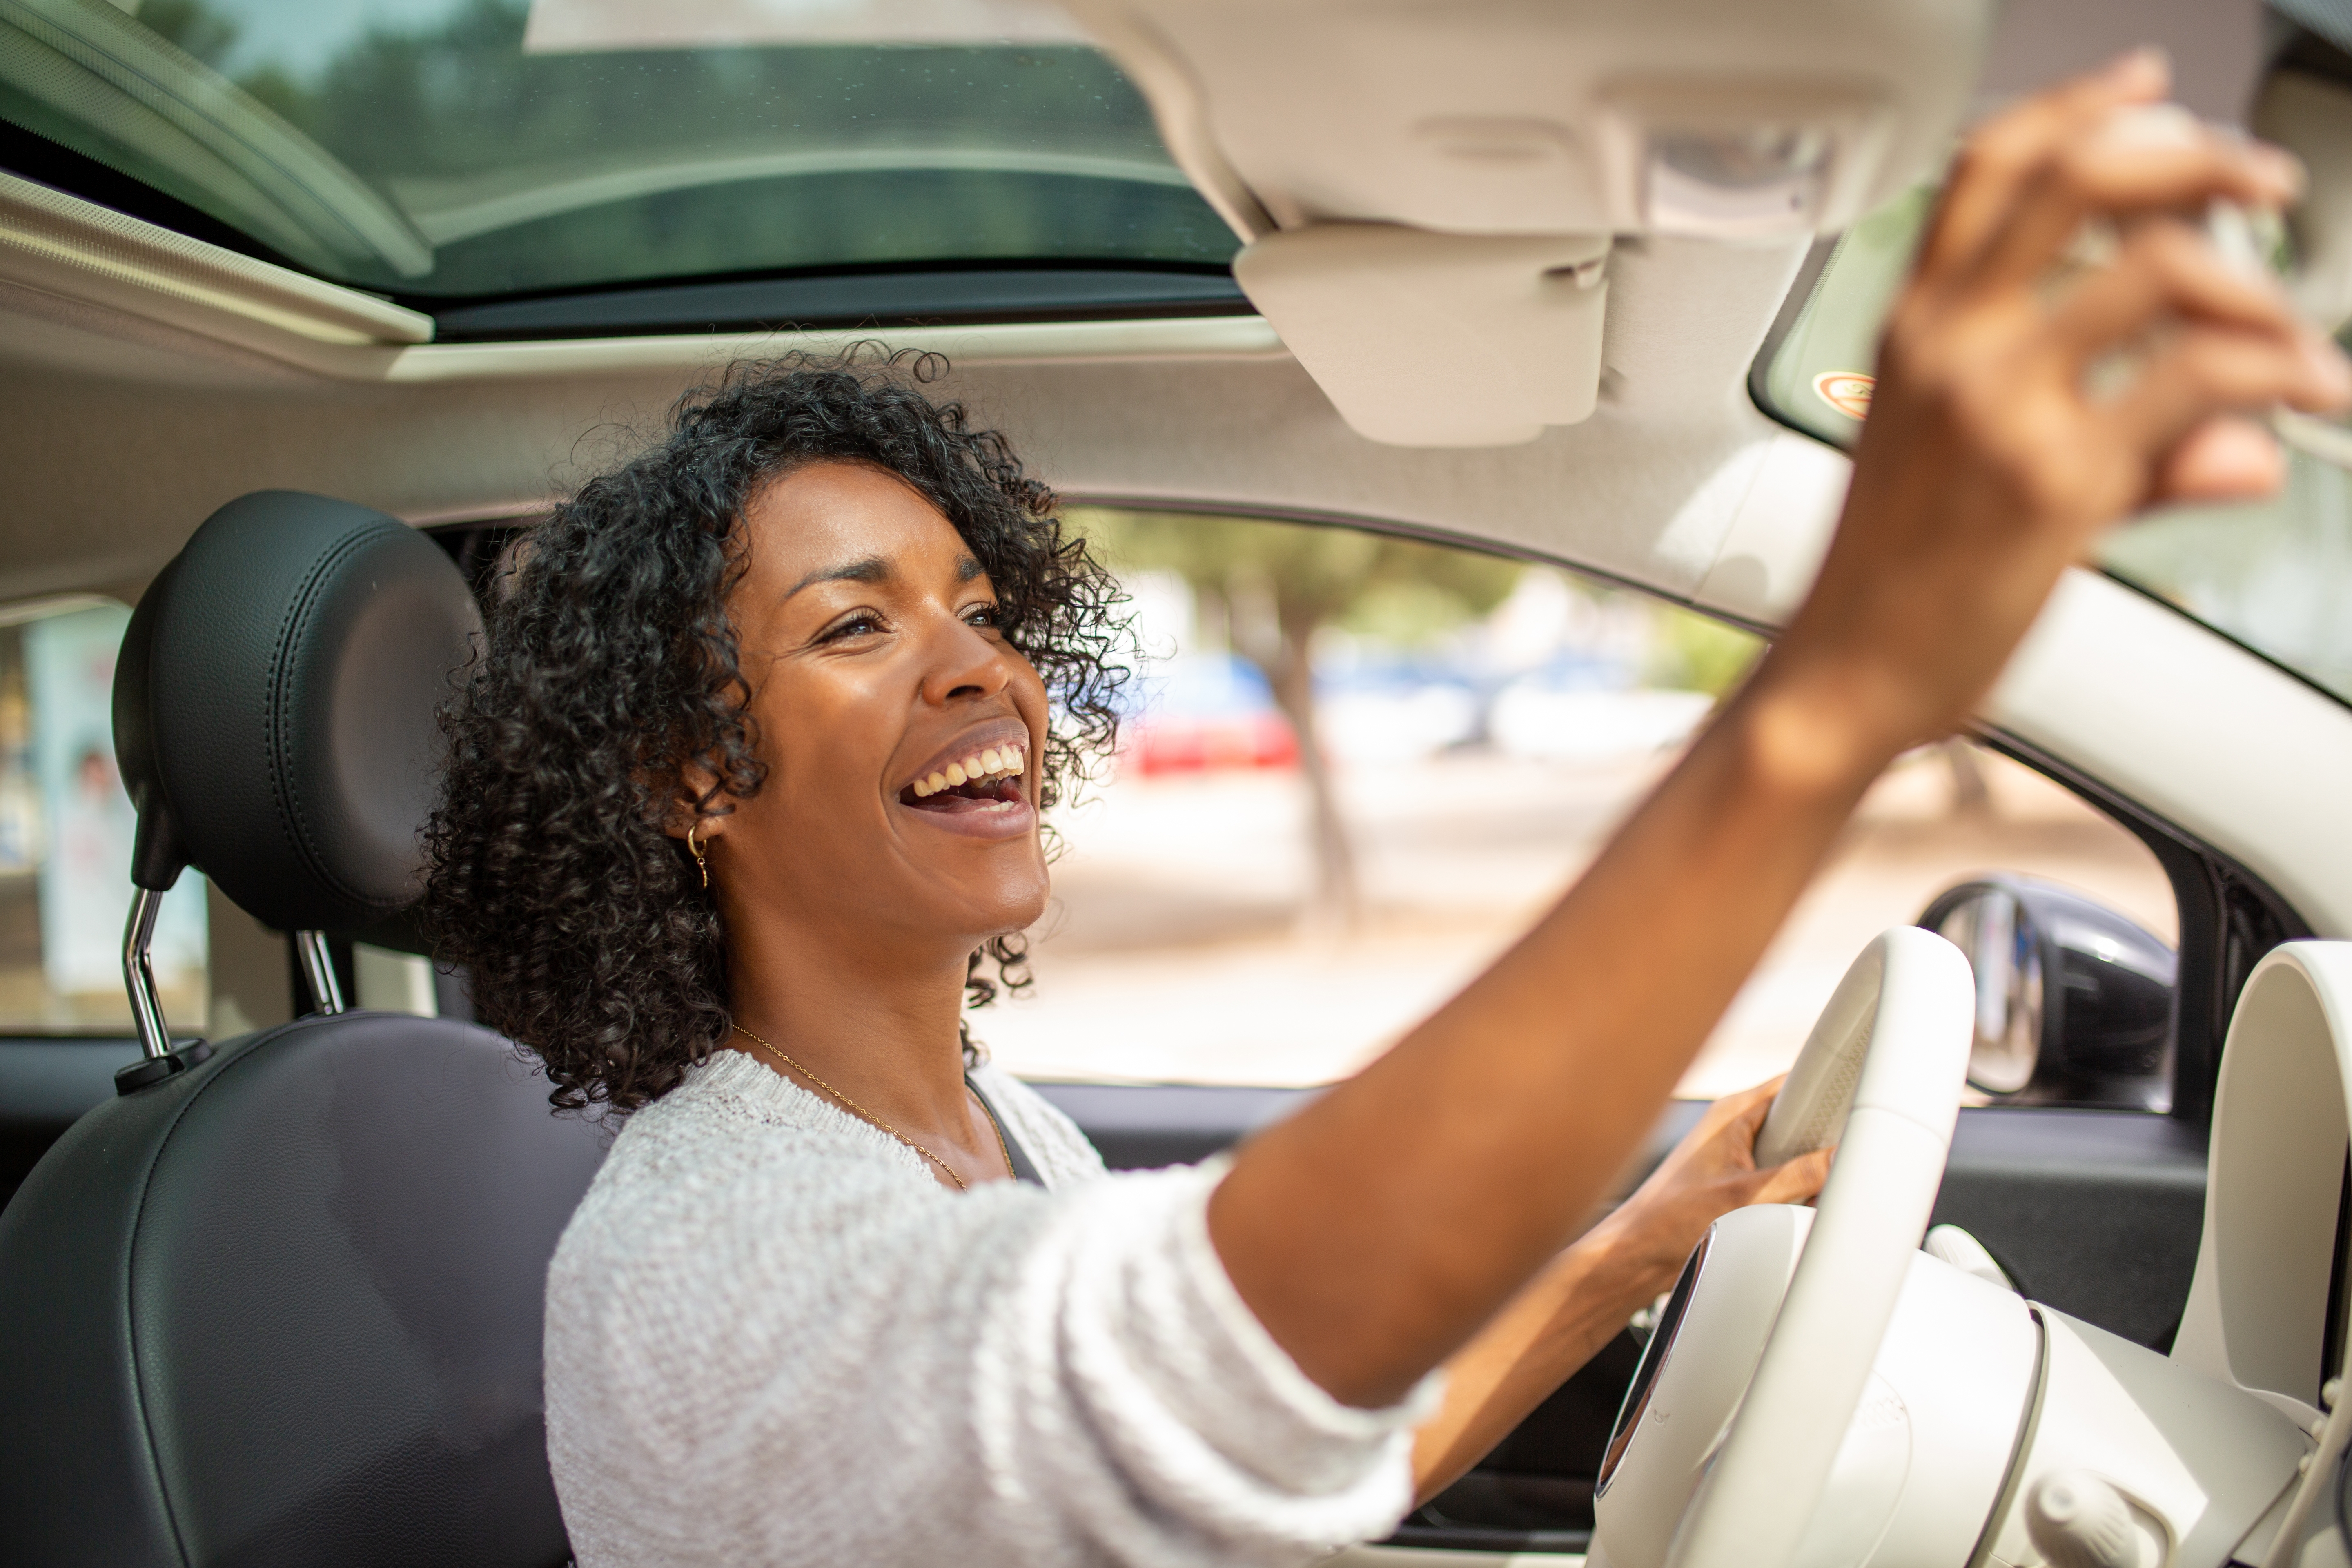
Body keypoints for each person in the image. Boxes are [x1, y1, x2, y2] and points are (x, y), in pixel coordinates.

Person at [422, 53, 2350, 1568]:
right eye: (857, 624)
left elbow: (1257, 1464)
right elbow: (1230, 1355)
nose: (977, 668)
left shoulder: (984, 1125)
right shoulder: (699, 1262)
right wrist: (1831, 696)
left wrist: (1638, 1245)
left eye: (985, 611)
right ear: (690, 776)